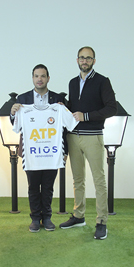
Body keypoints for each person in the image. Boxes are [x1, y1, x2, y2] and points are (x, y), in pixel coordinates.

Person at [59, 46, 117, 240]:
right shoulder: (73, 83)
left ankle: (101, 222)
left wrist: (86, 116)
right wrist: (64, 107)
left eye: (88, 58)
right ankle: (78, 215)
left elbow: (111, 108)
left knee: (99, 180)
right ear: (77, 60)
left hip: (93, 136)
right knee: (77, 179)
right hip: (73, 137)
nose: (85, 61)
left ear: (94, 61)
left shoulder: (102, 81)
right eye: (82, 58)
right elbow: (75, 108)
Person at [10, 64, 67, 233]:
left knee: (48, 186)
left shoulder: (58, 99)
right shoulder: (23, 98)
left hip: (52, 152)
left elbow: (64, 128)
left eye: (43, 76)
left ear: (48, 78)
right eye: (36, 76)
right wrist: (13, 113)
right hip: (32, 152)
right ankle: (35, 218)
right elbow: (16, 125)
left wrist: (65, 152)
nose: (39, 79)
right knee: (33, 186)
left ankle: (47, 217)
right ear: (33, 78)